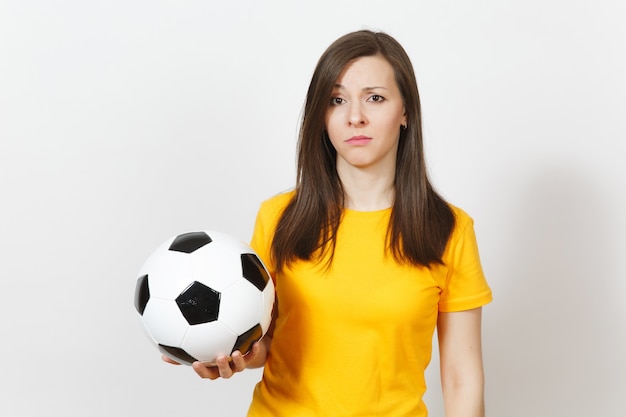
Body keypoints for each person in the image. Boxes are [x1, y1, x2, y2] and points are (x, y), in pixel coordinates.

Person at [164, 29, 492, 417]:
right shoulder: (279, 217)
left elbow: (461, 377)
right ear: (322, 115)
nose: (355, 117)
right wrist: (235, 354)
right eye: (337, 100)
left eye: (375, 98)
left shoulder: (449, 230)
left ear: (405, 112)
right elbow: (266, 344)